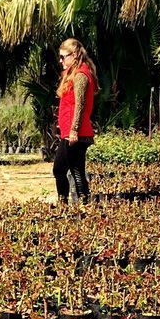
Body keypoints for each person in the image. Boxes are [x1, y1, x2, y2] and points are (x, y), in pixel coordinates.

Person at [53, 38, 97, 205]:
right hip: (75, 131)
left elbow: (80, 105)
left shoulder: (80, 75)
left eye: (64, 56)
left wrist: (73, 130)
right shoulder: (75, 73)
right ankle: (85, 205)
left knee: (59, 169)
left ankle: (63, 204)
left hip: (75, 133)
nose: (61, 60)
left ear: (75, 55)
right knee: (77, 170)